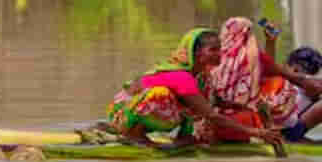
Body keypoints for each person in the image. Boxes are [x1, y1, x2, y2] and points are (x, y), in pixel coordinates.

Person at [106, 27, 281, 150]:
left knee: (196, 103)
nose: (219, 54)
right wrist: (257, 133)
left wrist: (243, 107)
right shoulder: (182, 76)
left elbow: (214, 102)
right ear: (196, 54)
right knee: (162, 95)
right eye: (213, 50)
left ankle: (184, 137)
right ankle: (133, 135)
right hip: (122, 114)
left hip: (141, 110)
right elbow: (210, 114)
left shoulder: (201, 76)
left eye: (219, 49)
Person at [207, 18, 322, 144]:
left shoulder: (318, 84)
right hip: (263, 124)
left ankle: (292, 138)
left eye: (298, 71)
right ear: (287, 64)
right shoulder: (273, 73)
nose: (293, 73)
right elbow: (267, 66)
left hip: (289, 129)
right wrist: (271, 42)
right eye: (291, 69)